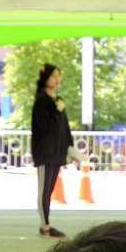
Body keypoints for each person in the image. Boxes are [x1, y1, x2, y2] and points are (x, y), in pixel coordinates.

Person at [30, 63, 80, 238]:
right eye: (53, 76)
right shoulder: (42, 101)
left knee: (49, 191)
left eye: (58, 76)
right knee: (44, 191)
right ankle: (45, 226)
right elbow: (43, 126)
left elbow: (64, 129)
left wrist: (70, 147)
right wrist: (57, 111)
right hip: (45, 153)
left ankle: (46, 224)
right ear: (45, 78)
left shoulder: (58, 100)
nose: (57, 79)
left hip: (57, 153)